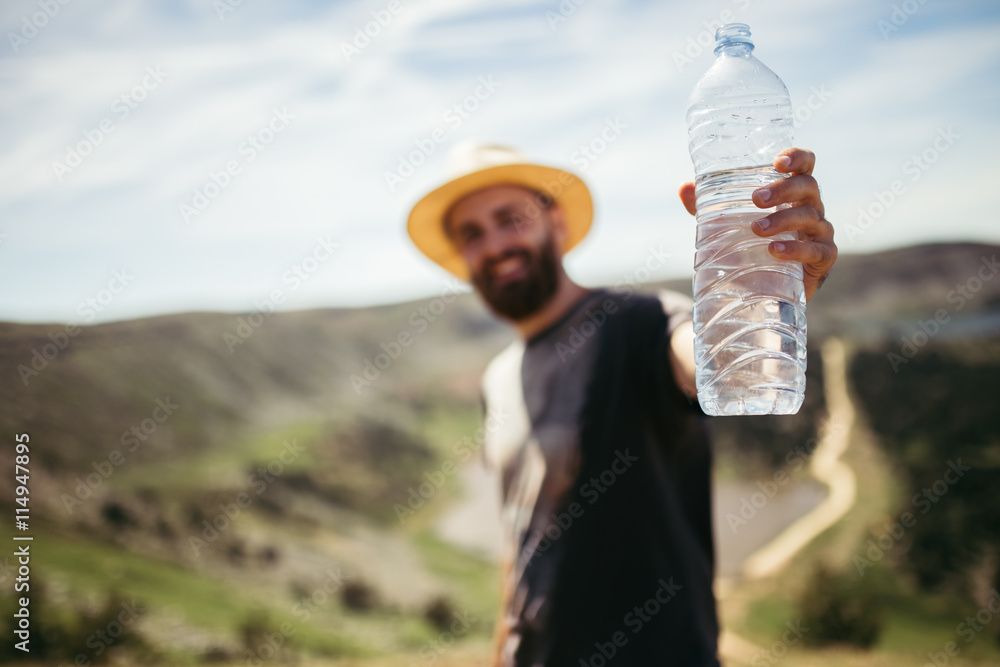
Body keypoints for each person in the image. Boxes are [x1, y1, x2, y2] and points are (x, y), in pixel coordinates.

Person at [405, 143, 837, 666]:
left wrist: (763, 298)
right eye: (471, 234)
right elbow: (520, 544)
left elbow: (714, 365)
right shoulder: (497, 378)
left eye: (510, 219)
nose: (494, 244)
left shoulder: (643, 320)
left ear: (557, 223)